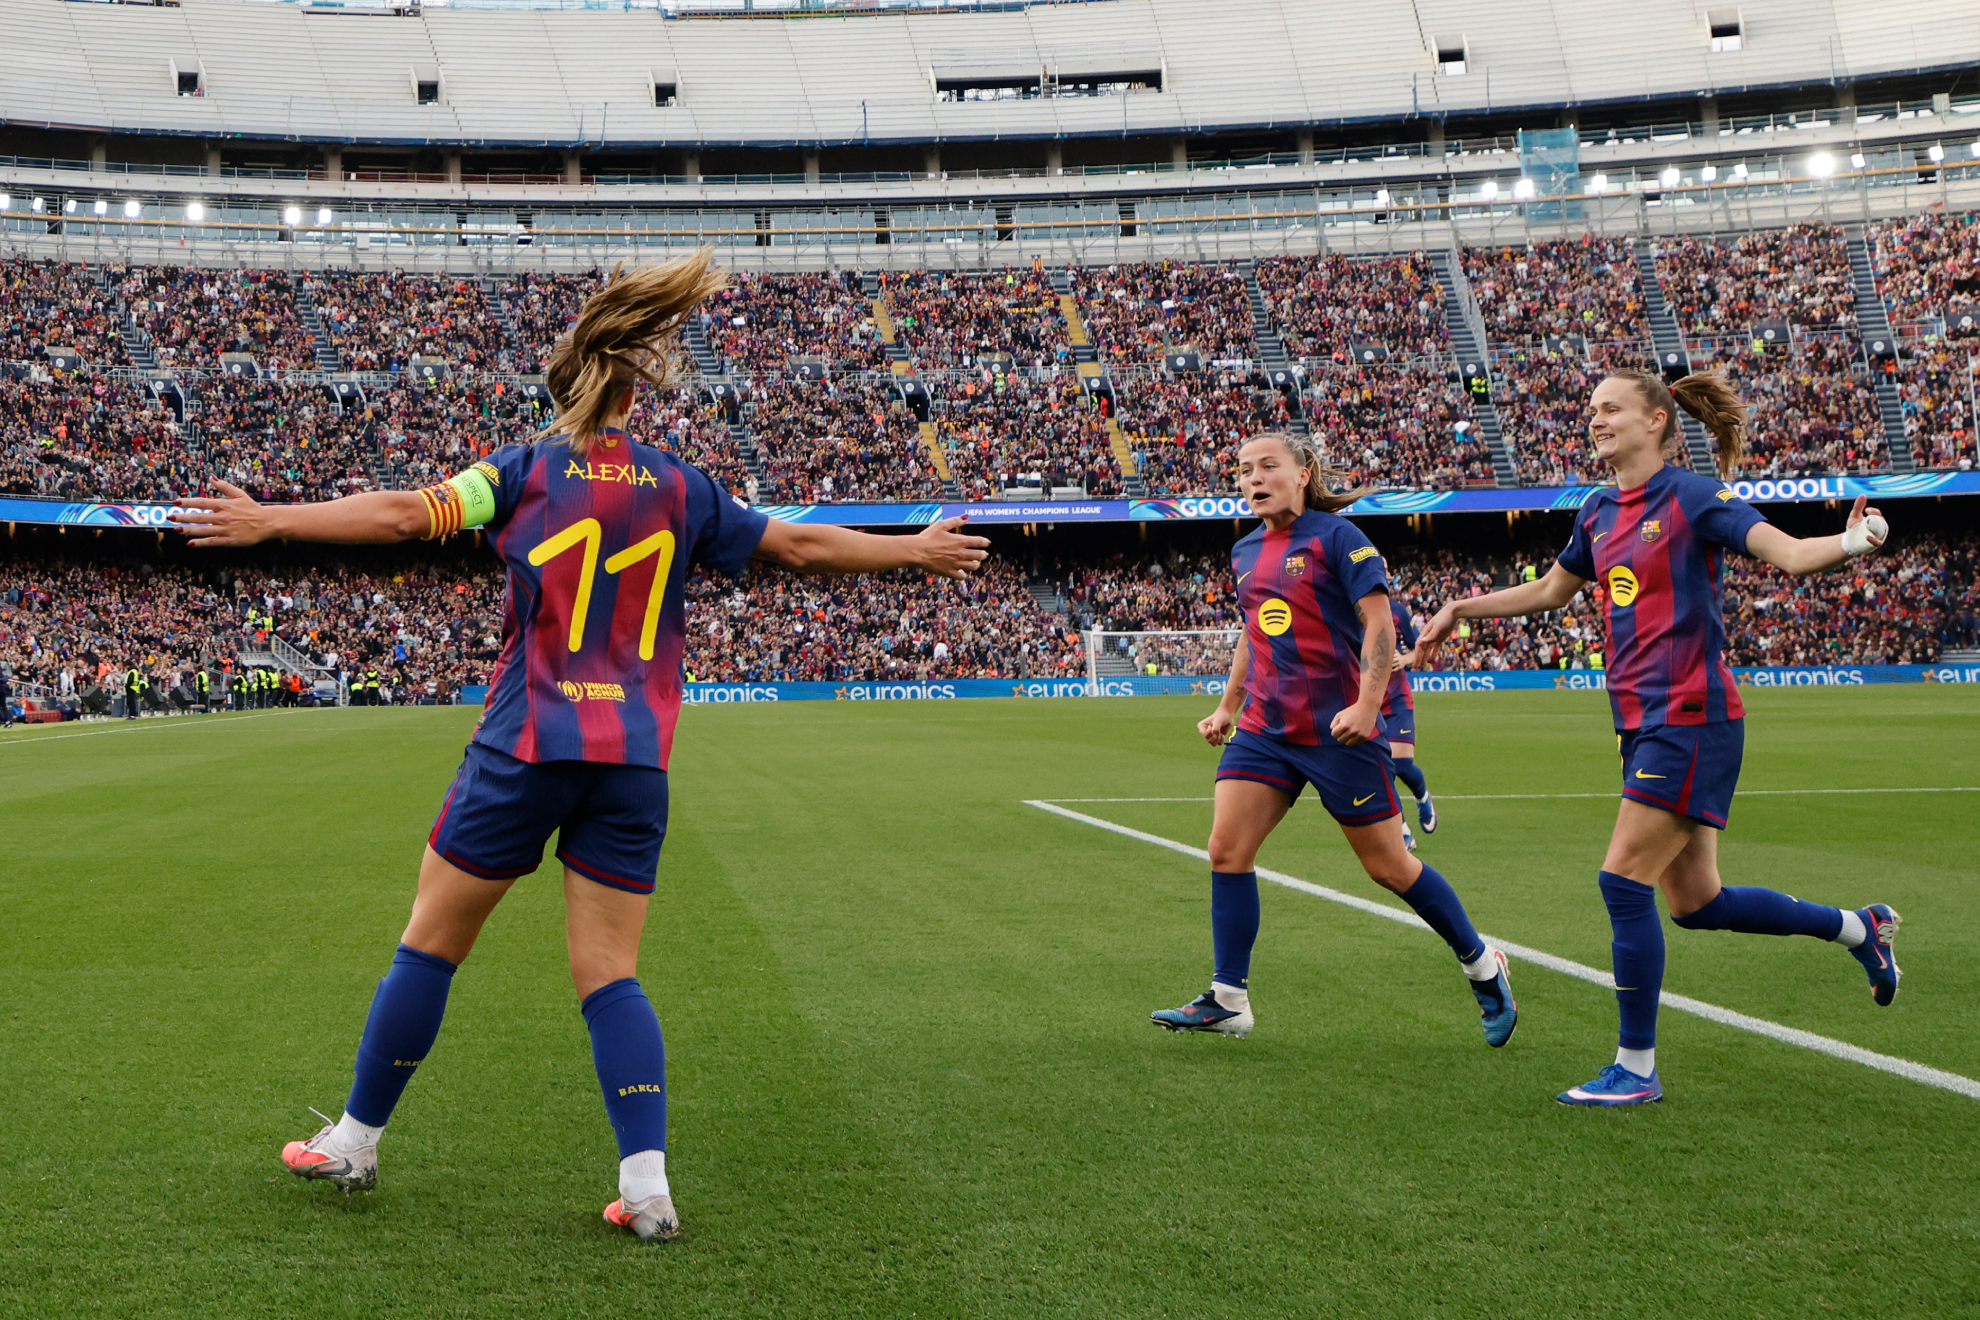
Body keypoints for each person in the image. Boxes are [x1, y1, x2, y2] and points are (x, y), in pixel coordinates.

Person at [171, 250, 990, 1242]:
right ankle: (646, 1186)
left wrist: (271, 521)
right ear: (627, 394)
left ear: (556, 388)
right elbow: (801, 545)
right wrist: (915, 546)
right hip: (633, 761)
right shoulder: (681, 486)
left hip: (525, 747)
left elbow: (401, 515)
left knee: (430, 946)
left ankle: (354, 1138)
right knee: (610, 974)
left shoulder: (519, 469)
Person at [1418, 369, 1900, 1108]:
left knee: (1621, 880)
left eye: (1610, 408)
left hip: (1692, 716)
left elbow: (1789, 554)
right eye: (1591, 409)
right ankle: (1858, 928)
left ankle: (1636, 1069)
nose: (1594, 419)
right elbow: (1553, 591)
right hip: (1638, 726)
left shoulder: (1694, 497)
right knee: (1697, 902)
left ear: (1656, 422)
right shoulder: (1599, 509)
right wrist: (1462, 607)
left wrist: (1851, 541)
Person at [1150, 432, 1517, 1048]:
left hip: (1337, 732)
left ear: (1303, 473)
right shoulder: (1243, 551)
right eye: (1243, 470)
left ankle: (1483, 964)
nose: (1253, 478)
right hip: (1267, 730)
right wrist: (1227, 707)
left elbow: (1378, 623)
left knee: (1389, 867)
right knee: (1225, 850)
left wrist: (1368, 704)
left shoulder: (1336, 537)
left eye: (1268, 466)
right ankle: (1228, 998)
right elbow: (1251, 633)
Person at [1382, 593, 1435, 851]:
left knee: (1400, 764)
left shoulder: (1396, 611)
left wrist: (1404, 659)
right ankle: (1401, 830)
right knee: (1379, 770)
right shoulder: (1341, 609)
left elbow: (1422, 648)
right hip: (1360, 701)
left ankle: (1422, 795)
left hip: (1395, 699)